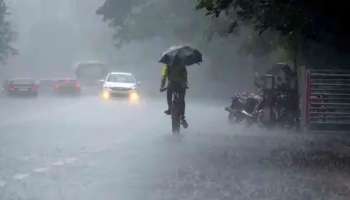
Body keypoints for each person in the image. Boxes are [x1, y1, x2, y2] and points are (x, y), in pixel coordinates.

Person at [160, 59, 188, 128]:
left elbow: (164, 76)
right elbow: (185, 76)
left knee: (169, 95)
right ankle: (182, 117)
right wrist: (185, 84)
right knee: (182, 99)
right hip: (181, 86)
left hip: (171, 85)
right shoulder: (182, 64)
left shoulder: (167, 65)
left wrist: (162, 86)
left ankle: (170, 108)